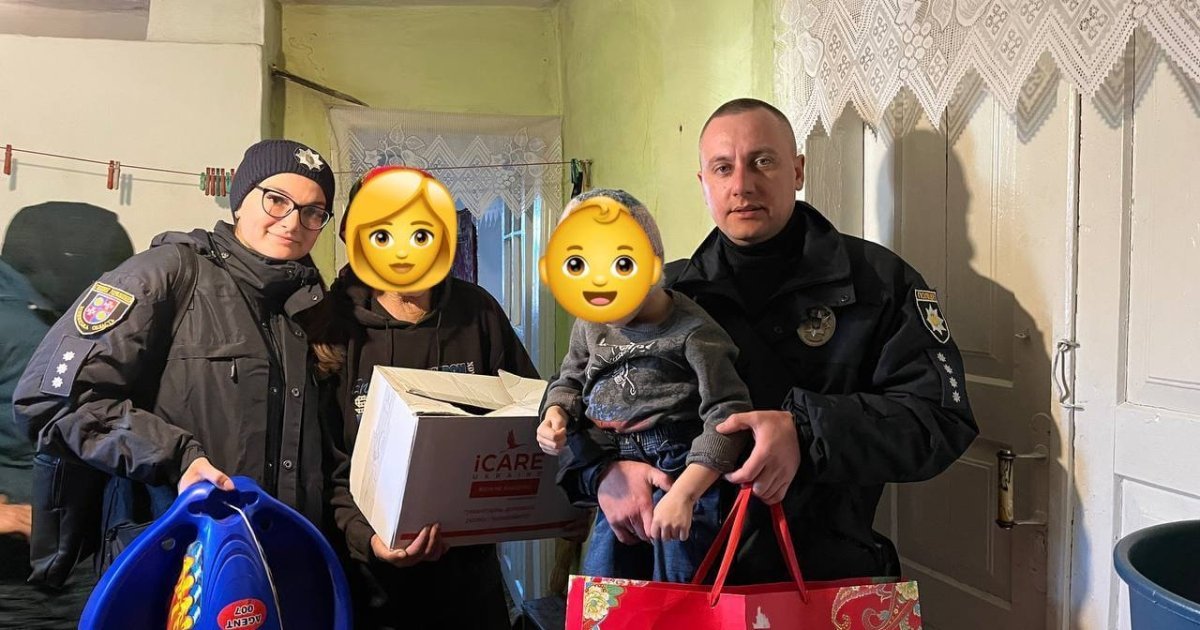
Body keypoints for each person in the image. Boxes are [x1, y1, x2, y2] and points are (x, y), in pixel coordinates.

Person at [556, 98, 980, 585]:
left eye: (762, 161)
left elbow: (939, 420)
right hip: (673, 578)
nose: (742, 185)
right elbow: (571, 397)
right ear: (704, 183)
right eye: (723, 168)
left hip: (820, 575)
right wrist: (602, 473)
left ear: (797, 170)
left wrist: (804, 432)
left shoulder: (879, 283)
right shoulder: (657, 296)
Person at [12, 139, 342, 579]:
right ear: (240, 200)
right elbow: (52, 401)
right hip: (171, 560)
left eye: (313, 211)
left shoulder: (310, 307)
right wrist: (178, 457)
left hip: (277, 566)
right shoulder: (164, 273)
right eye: (276, 199)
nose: (292, 221)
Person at [313, 166, 539, 630]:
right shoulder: (330, 325)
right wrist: (369, 539)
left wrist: (565, 496)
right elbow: (324, 463)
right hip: (371, 589)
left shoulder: (478, 312)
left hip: (471, 586)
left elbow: (530, 419)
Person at [536, 189, 752, 583]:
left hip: (681, 468)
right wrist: (555, 413)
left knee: (681, 590)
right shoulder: (590, 323)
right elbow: (569, 378)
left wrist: (686, 493)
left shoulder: (695, 332)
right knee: (603, 591)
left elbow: (729, 418)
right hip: (614, 463)